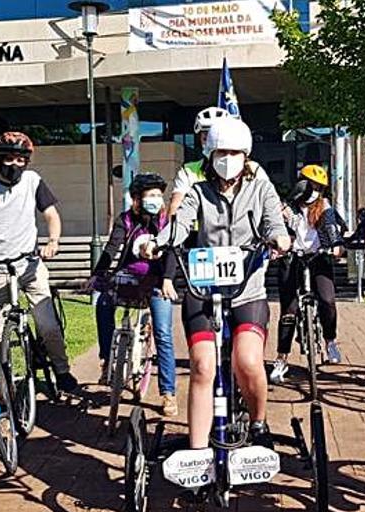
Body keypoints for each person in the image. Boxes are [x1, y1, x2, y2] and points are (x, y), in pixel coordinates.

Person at [144, 117, 291, 450]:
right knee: (202, 366)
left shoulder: (261, 189)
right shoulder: (198, 192)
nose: (228, 159)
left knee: (248, 361)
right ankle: (196, 451)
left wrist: (279, 238)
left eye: (235, 153)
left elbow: (273, 224)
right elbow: (179, 225)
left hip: (246, 292)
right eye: (221, 152)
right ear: (209, 156)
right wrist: (158, 241)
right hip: (203, 291)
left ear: (246, 155)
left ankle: (258, 422)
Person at [0, 131, 76, 391]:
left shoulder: (33, 181)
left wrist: (52, 242)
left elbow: (52, 215)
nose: (14, 164)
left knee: (48, 326)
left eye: (21, 160)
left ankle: (62, 370)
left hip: (29, 265)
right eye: (9, 158)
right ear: (0, 159)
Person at [90, 173, 180, 417]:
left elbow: (172, 251)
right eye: (150, 195)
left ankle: (168, 393)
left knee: (162, 332)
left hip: (157, 282)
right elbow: (111, 248)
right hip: (127, 277)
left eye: (159, 195)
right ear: (136, 199)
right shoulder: (125, 220)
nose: (156, 200)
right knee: (103, 303)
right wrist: (98, 275)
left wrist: (168, 280)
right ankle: (107, 358)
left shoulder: (166, 221)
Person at [270, 165, 347, 383]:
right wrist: (276, 245)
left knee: (327, 300)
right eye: (309, 184)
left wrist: (337, 246)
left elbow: (333, 229)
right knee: (289, 309)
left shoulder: (324, 207)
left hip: (318, 258)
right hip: (292, 259)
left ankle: (330, 341)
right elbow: (275, 229)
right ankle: (281, 358)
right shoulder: (287, 207)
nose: (312, 190)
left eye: (317, 187)